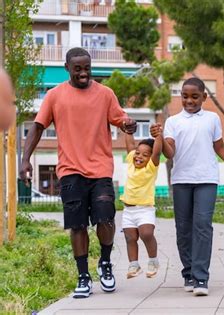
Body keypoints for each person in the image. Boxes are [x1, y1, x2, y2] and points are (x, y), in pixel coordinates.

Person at [19, 47, 137, 298]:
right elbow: (38, 127)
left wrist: (130, 124)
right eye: (78, 69)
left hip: (101, 169)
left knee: (106, 219)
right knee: (77, 225)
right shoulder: (54, 95)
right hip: (71, 170)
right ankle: (83, 275)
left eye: (87, 68)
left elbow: (122, 119)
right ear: (67, 68)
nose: (83, 73)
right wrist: (25, 159)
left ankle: (105, 264)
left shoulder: (105, 94)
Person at [151, 77, 224, 297]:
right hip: (182, 180)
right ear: (180, 97)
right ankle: (188, 274)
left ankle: (201, 277)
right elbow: (170, 153)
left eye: (194, 96)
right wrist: (160, 138)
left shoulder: (212, 118)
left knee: (202, 225)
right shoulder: (173, 121)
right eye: (185, 96)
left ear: (204, 97)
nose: (189, 100)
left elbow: (219, 146)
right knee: (183, 229)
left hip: (207, 179)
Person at [120, 122, 162, 279]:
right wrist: (128, 130)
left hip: (144, 209)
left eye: (145, 155)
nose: (139, 157)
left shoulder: (151, 167)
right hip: (128, 210)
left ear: (150, 158)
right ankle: (134, 265)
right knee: (130, 237)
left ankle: (153, 261)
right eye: (138, 153)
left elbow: (157, 152)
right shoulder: (131, 161)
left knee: (146, 234)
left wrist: (158, 136)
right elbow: (130, 144)